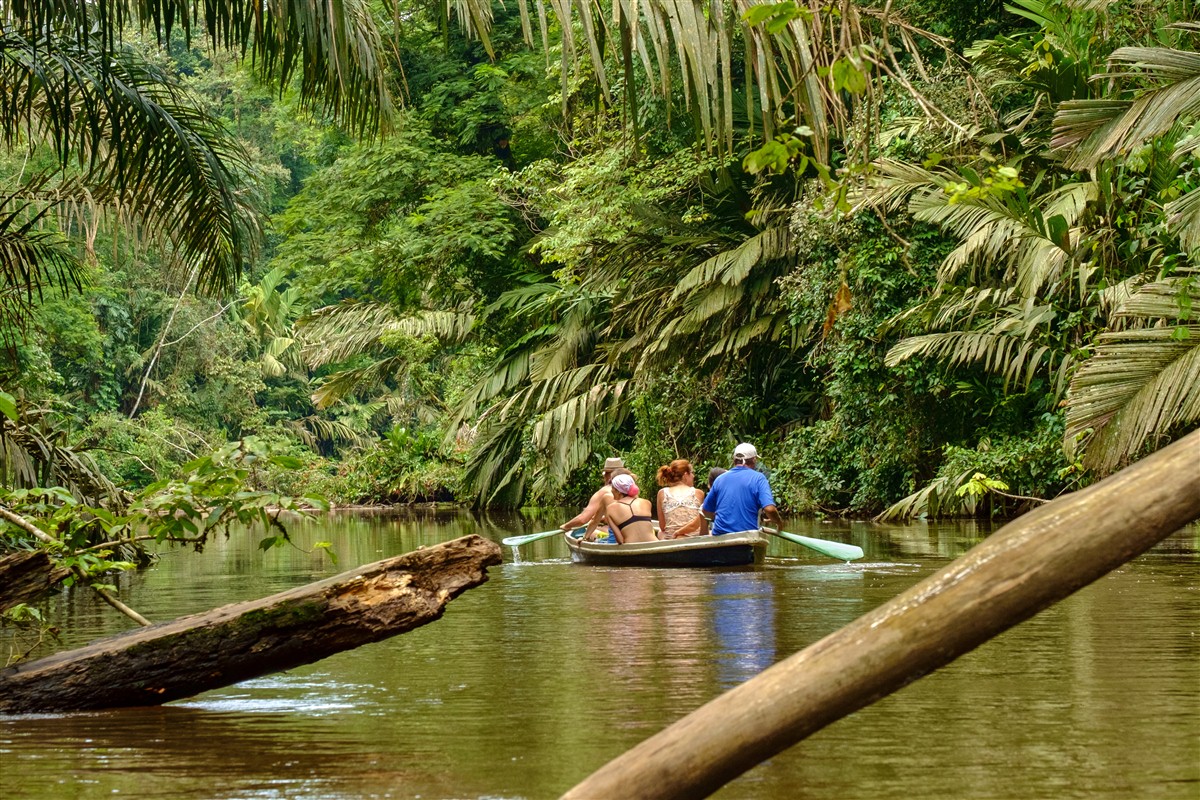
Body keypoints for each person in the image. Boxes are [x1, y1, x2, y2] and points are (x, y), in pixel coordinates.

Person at [701, 443, 781, 535]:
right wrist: (779, 523)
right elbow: (770, 509)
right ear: (754, 460)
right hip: (747, 538)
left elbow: (706, 511)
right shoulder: (759, 478)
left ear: (734, 460)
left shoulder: (719, 479)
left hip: (720, 537)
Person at [585, 473, 657, 544]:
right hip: (653, 544)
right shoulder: (646, 502)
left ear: (618, 491)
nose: (611, 490)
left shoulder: (611, 508)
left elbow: (620, 540)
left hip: (631, 547)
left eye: (612, 488)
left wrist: (585, 538)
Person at [561, 457, 625, 534]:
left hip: (616, 534)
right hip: (630, 531)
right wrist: (602, 518)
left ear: (606, 476)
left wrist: (566, 526)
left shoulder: (604, 492)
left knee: (584, 530)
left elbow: (583, 519)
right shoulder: (630, 489)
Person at [656, 459, 707, 539]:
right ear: (685, 475)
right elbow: (702, 522)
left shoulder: (662, 493)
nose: (693, 476)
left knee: (660, 532)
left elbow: (662, 526)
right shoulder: (698, 493)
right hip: (694, 539)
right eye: (692, 473)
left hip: (673, 539)